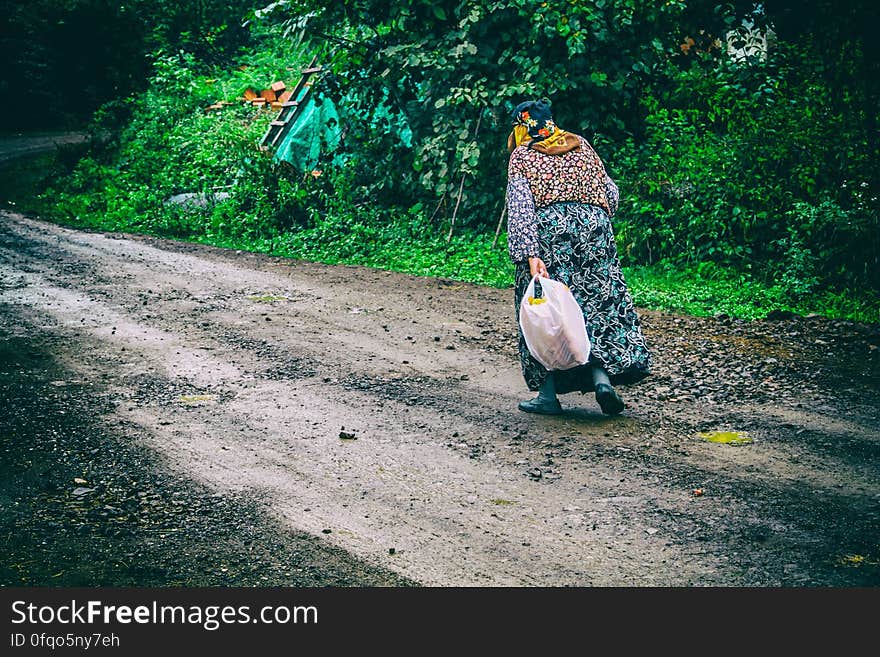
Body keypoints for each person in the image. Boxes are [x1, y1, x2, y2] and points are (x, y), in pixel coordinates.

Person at [506, 98, 651, 416]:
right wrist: (591, 216)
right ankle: (603, 382)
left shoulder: (523, 155)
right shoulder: (581, 145)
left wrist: (530, 254)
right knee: (595, 307)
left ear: (524, 127)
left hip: (550, 233)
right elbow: (611, 192)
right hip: (594, 231)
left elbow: (519, 209)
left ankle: (547, 395)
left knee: (544, 311)